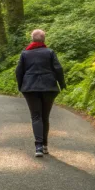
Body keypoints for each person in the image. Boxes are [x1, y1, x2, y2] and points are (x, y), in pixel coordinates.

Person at [15, 29, 66, 157]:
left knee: (36, 116)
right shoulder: (49, 52)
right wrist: (62, 83)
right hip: (49, 87)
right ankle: (44, 146)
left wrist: (21, 85)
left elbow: (18, 71)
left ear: (32, 39)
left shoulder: (25, 54)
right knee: (45, 117)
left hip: (30, 88)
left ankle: (38, 146)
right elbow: (58, 68)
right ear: (44, 40)